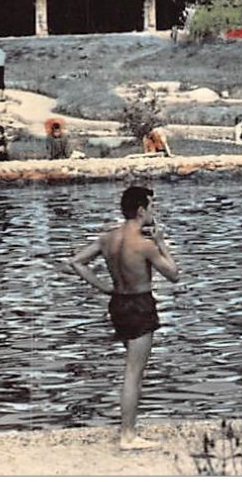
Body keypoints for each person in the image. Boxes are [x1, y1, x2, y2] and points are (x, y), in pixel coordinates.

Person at [66, 185, 181, 448]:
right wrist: (161, 242)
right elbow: (174, 275)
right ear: (141, 210)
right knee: (133, 373)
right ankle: (127, 435)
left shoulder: (108, 238)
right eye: (152, 207)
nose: (154, 211)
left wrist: (103, 287)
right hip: (139, 304)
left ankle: (128, 431)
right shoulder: (144, 245)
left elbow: (76, 262)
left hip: (117, 303)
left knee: (131, 369)